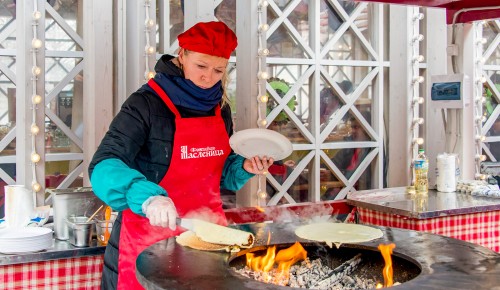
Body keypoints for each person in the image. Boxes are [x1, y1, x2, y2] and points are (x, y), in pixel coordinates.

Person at [88, 22, 274, 289]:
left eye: (218, 70)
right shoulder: (145, 103)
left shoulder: (220, 108)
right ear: (182, 55)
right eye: (201, 66)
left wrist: (244, 166)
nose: (208, 77)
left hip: (208, 237)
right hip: (148, 241)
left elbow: (221, 175)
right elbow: (104, 165)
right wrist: (149, 198)